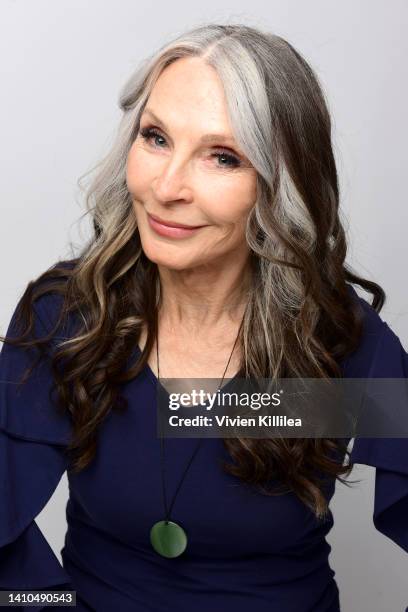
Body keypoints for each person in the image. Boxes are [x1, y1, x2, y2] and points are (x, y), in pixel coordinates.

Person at [1, 23, 407, 612]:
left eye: (222, 157)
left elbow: (195, 414)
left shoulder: (338, 344)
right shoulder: (72, 316)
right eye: (156, 138)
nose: (167, 187)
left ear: (280, 184)